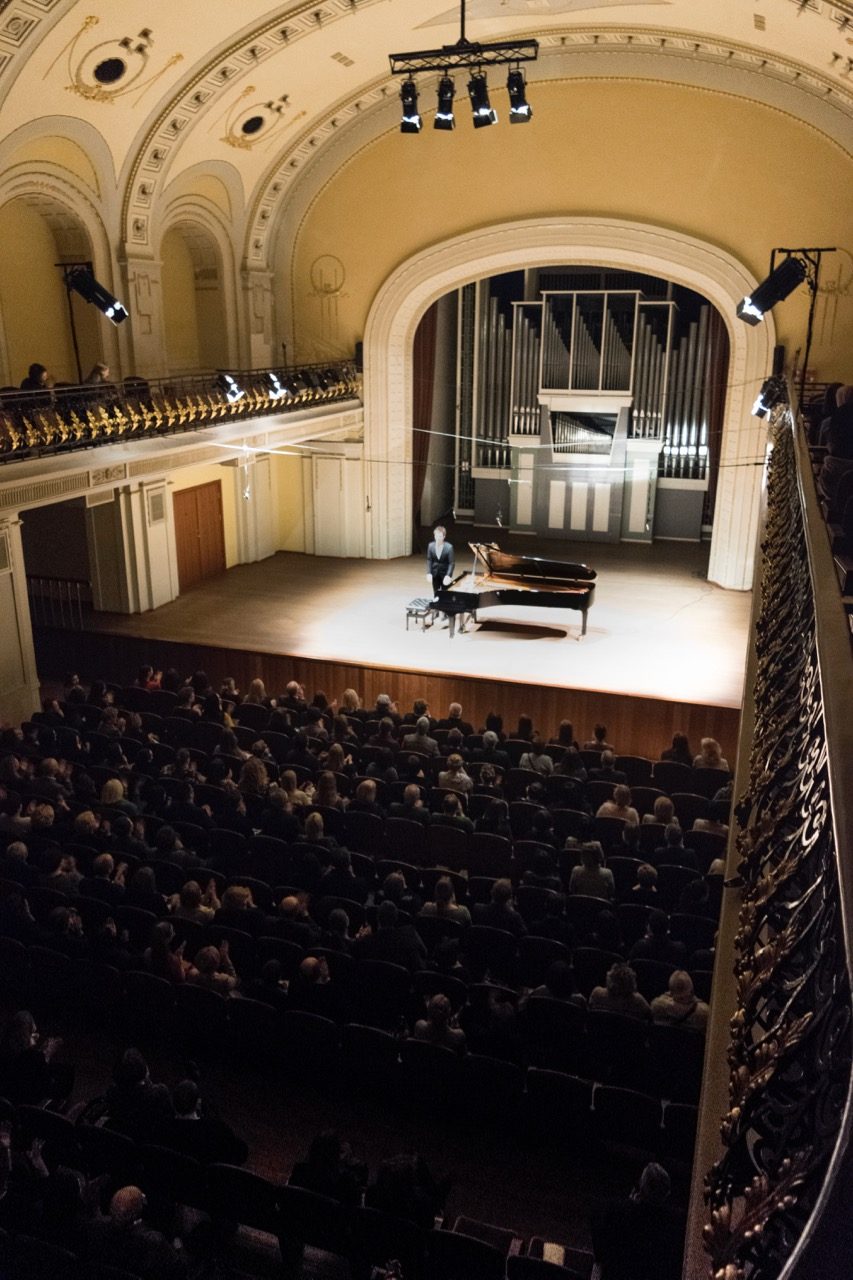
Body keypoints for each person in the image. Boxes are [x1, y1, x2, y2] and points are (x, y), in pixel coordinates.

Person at [85, 1185, 186, 1279]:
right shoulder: (154, 1242)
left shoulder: (96, 1227)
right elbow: (180, 1270)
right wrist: (179, 1248)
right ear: (138, 1212)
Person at [426, 524, 455, 597]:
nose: (438, 538)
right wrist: (429, 572)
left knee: (445, 593)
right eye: (436, 536)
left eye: (440, 536)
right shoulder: (430, 546)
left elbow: (451, 563)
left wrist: (448, 575)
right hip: (435, 573)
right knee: (435, 593)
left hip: (444, 574)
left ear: (444, 537)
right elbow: (429, 560)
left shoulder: (449, 547)